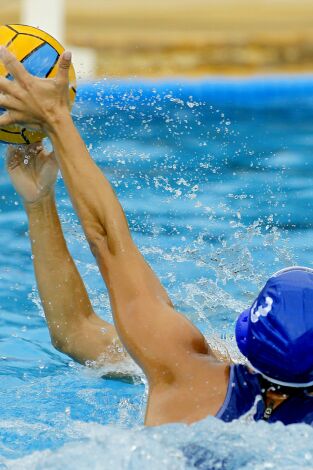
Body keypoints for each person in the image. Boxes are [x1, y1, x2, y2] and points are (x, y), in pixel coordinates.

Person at [1, 47, 313, 427]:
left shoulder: (186, 372)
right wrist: (40, 199)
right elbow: (78, 334)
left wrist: (55, 119)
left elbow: (107, 245)